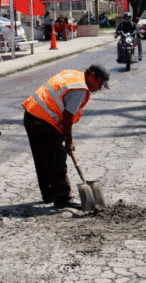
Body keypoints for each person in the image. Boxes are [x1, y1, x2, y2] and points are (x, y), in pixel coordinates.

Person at [22, 64, 110, 209]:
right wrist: (69, 141)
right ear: (92, 76)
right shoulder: (80, 89)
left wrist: (64, 136)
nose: (99, 88)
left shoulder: (72, 75)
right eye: (99, 83)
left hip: (31, 114)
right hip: (45, 119)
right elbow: (67, 116)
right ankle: (63, 197)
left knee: (42, 158)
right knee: (57, 158)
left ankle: (49, 193)